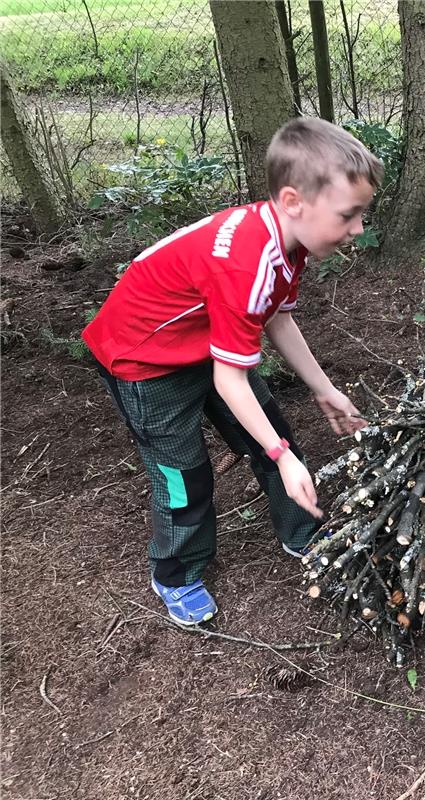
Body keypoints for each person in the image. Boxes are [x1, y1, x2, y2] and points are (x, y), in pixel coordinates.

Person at [82, 117, 383, 626]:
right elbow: (231, 379)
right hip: (144, 361)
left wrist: (324, 390)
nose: (358, 230)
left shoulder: (291, 241)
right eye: (349, 215)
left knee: (274, 433)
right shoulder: (247, 264)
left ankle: (301, 532)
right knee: (185, 476)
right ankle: (176, 574)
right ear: (293, 201)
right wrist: (283, 457)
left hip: (207, 346)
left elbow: (278, 318)